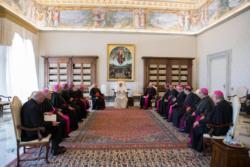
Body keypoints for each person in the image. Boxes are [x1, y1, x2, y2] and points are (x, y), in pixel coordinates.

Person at [21, 91, 66, 156]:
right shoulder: (33, 107)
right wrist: (51, 123)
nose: (43, 101)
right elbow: (38, 124)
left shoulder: (29, 103)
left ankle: (55, 146)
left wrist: (44, 114)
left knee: (56, 120)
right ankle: (55, 149)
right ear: (39, 99)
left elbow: (35, 117)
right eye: (42, 99)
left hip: (30, 127)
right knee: (57, 126)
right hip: (33, 132)